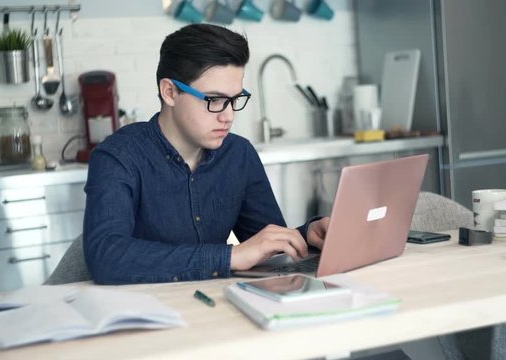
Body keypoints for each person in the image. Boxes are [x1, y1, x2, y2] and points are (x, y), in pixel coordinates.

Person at [83, 24, 329, 284]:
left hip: (213, 306)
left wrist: (306, 236)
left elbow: (266, 248)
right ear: (170, 92)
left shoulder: (239, 154)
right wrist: (229, 257)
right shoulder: (118, 156)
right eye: (214, 100)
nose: (228, 116)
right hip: (143, 311)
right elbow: (106, 257)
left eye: (235, 100)